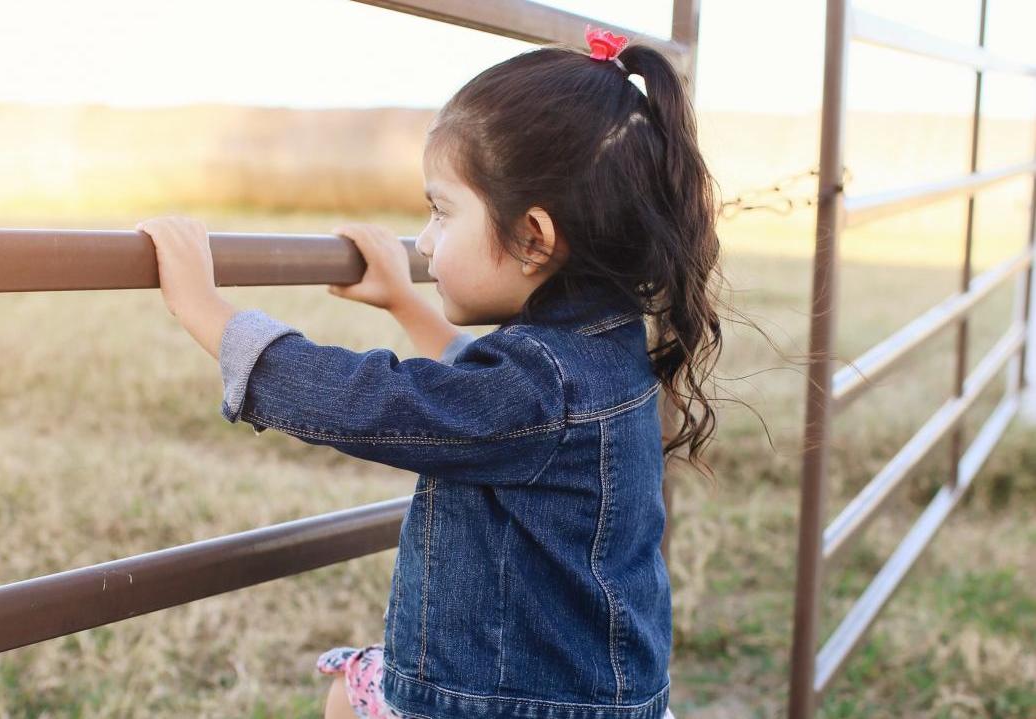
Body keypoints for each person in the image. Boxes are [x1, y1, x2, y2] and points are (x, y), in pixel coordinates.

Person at [137, 23, 724, 719]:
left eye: (442, 212)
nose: (425, 241)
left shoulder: (540, 383)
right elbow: (481, 399)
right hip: (594, 697)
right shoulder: (602, 342)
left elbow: (370, 402)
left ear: (533, 236)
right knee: (352, 692)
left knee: (347, 694)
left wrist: (206, 310)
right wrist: (407, 302)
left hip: (517, 706)